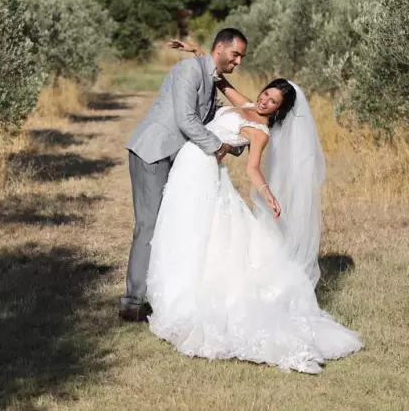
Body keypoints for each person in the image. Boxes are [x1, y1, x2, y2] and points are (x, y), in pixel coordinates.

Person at [145, 57, 363, 373]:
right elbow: (222, 82)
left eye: (272, 101)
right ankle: (172, 291)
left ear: (278, 111)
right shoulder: (245, 105)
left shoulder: (260, 131)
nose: (264, 100)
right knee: (179, 228)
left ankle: (188, 298)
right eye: (265, 94)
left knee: (198, 232)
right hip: (187, 165)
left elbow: (252, 169)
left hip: (204, 172)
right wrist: (197, 52)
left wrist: (269, 195)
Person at [119, 28, 248, 322]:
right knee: (149, 225)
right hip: (152, 151)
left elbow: (215, 119)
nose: (239, 61)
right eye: (235, 54)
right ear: (219, 49)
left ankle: (162, 295)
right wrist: (219, 148)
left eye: (242, 56)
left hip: (175, 158)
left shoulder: (210, 78)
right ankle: (132, 302)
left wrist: (245, 137)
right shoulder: (188, 70)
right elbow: (186, 120)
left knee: (171, 225)